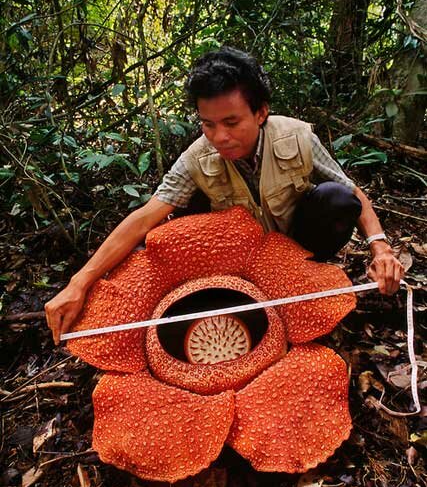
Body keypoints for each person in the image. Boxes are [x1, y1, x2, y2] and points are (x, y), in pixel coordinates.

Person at [45, 47, 404, 344]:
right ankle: (217, 295)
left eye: (231, 123)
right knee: (175, 222)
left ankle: (308, 282)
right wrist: (79, 283)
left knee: (337, 199)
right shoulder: (196, 158)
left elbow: (353, 191)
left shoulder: (297, 137)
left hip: (297, 244)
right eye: (208, 123)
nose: (219, 136)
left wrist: (381, 248)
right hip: (234, 264)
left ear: (261, 112)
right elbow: (145, 218)